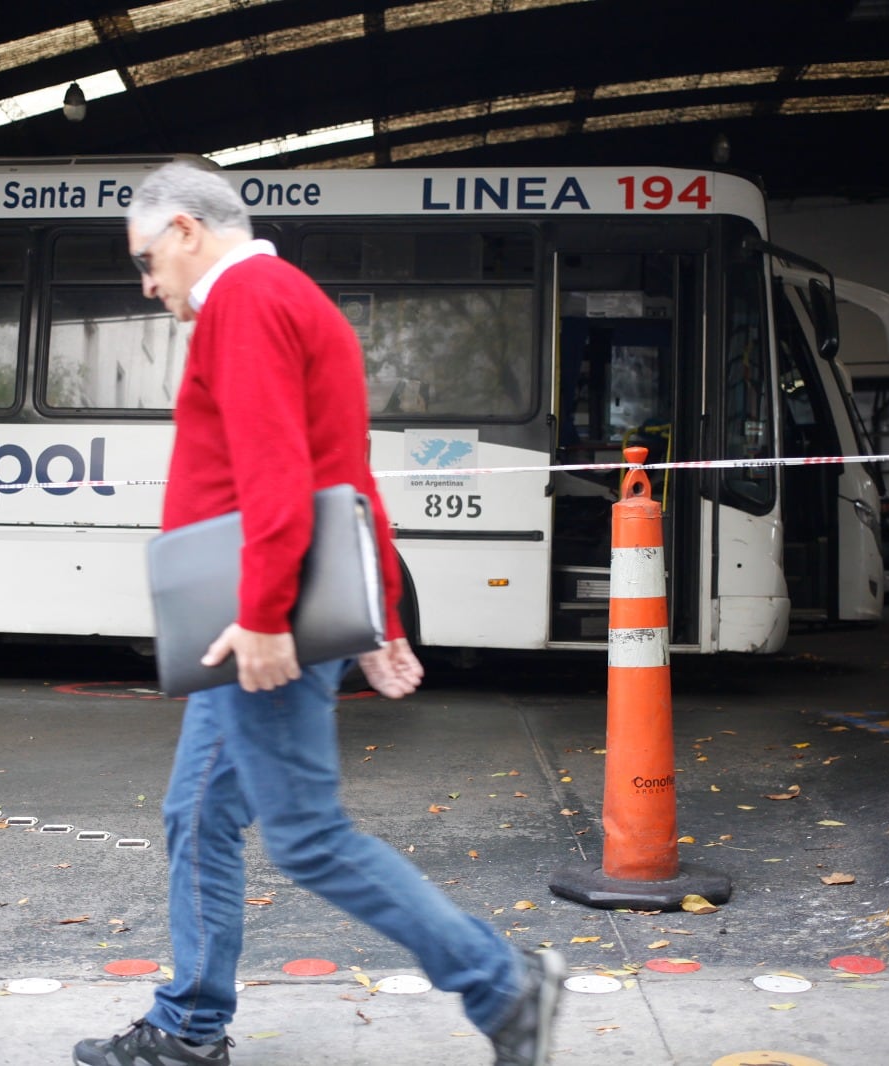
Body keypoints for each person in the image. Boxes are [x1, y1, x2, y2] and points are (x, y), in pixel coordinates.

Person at [73, 162, 563, 1066]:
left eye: (147, 260)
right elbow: (350, 474)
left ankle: (502, 984)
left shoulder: (245, 300)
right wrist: (382, 623)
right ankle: (188, 1026)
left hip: (265, 617)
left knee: (307, 838)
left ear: (185, 230)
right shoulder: (297, 296)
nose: (149, 286)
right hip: (280, 606)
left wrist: (263, 617)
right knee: (198, 813)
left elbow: (278, 475)